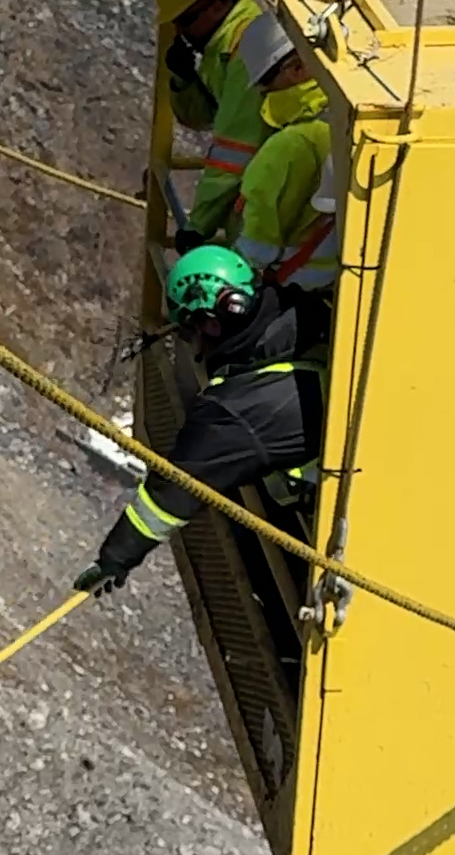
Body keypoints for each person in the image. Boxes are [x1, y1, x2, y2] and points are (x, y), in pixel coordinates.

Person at [76, 243, 325, 595]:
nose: (194, 346)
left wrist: (114, 559)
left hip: (325, 521)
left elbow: (173, 489)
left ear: (212, 322)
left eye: (191, 330)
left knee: (252, 546)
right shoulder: (313, 315)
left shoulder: (238, 407)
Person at [156, 0, 290, 238]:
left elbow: (235, 149)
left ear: (215, 6)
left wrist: (198, 227)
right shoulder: (222, 47)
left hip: (272, 210)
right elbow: (202, 117)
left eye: (186, 21)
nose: (180, 33)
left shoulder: (246, 52)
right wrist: (184, 81)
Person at [230, 49, 338, 304]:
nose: (262, 91)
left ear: (298, 69)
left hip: (295, 287)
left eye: (266, 79)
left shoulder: (289, 145)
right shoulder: (344, 124)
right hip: (341, 283)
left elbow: (256, 247)